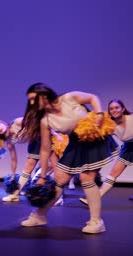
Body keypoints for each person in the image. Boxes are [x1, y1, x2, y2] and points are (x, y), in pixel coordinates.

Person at [19, 83, 118, 234]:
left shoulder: (68, 98)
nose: (31, 103)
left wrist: (99, 114)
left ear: (44, 95)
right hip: (75, 144)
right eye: (30, 100)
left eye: (33, 98)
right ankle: (40, 216)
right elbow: (45, 149)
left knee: (87, 178)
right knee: (59, 179)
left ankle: (96, 222)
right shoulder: (45, 120)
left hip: (94, 139)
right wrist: (43, 176)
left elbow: (92, 98)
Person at [79, 99, 133, 210]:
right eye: (111, 108)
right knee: (113, 173)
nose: (114, 110)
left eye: (117, 107)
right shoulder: (110, 126)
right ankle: (95, 198)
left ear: (123, 109)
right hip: (129, 148)